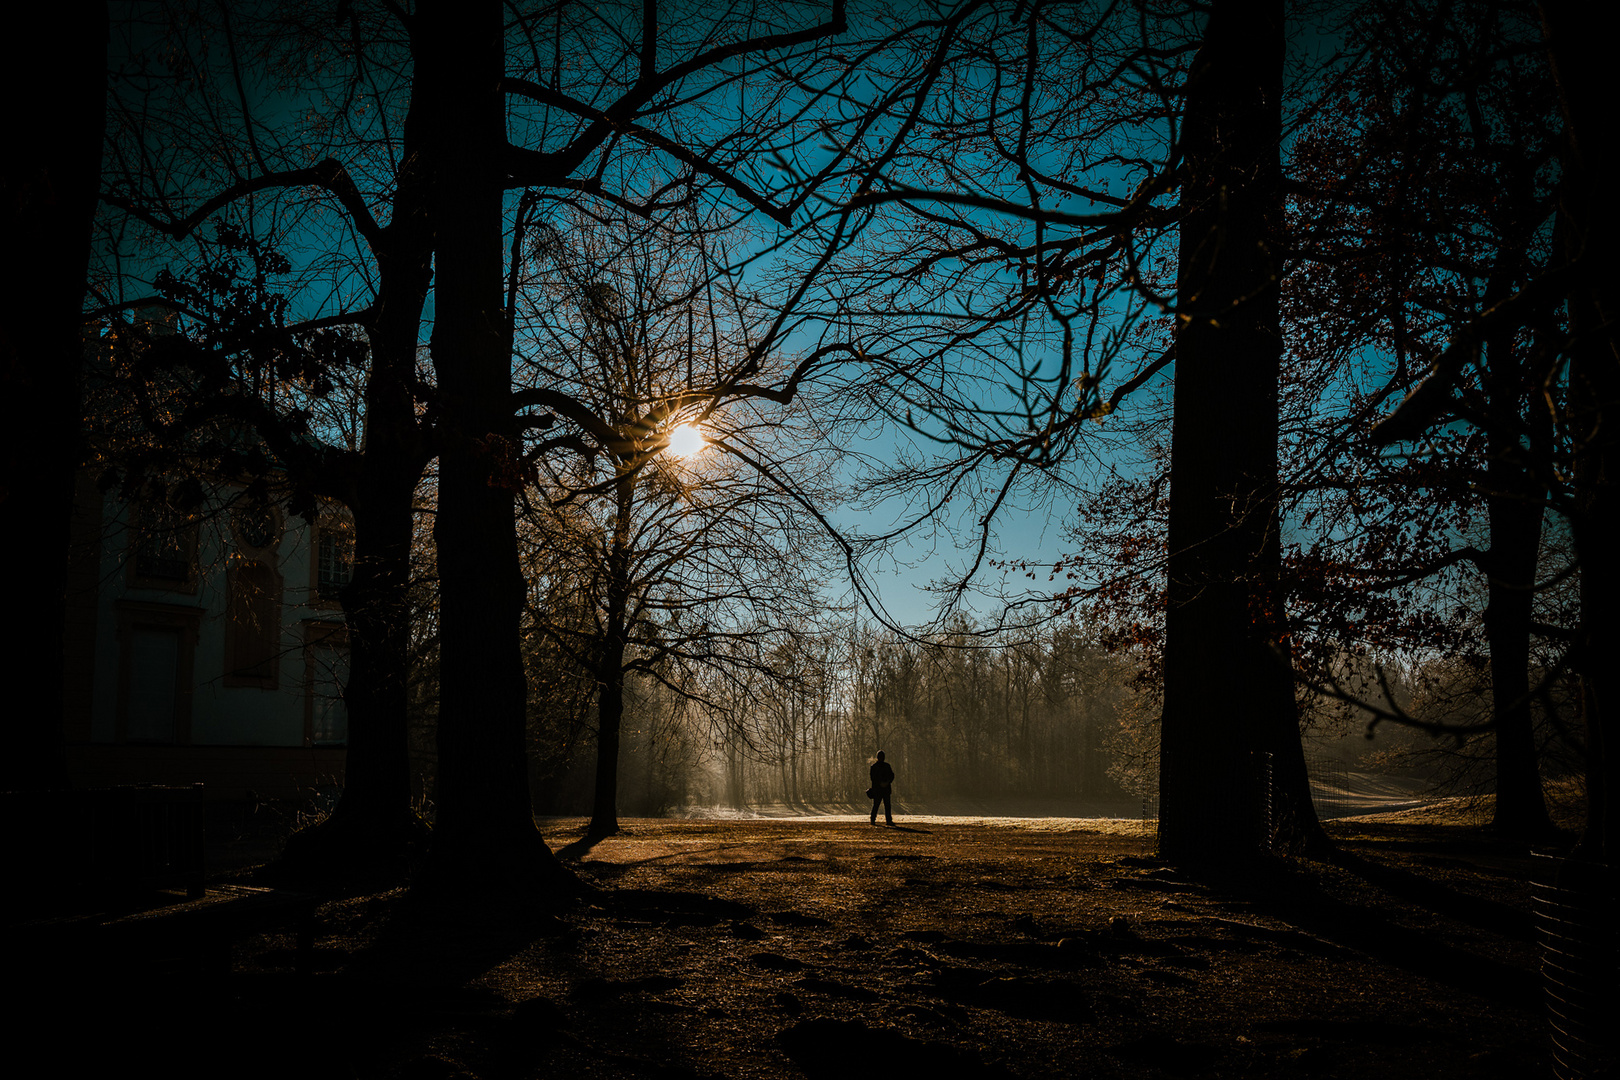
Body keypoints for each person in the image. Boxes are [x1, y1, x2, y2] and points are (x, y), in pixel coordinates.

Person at [869, 750, 895, 826]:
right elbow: (892, 776)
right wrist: (887, 783)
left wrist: (880, 784)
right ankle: (888, 820)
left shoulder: (874, 767)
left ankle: (873, 819)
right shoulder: (887, 766)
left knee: (876, 805)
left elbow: (873, 778)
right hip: (885, 789)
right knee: (887, 805)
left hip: (878, 789)